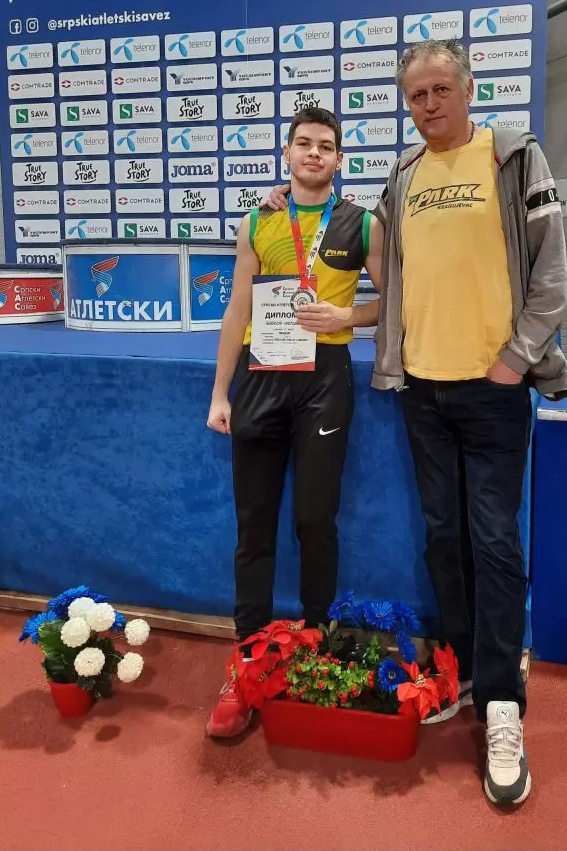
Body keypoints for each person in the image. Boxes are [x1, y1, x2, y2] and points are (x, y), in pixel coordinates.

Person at [262, 38, 567, 807]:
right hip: (423, 392)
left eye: (440, 89)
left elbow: (552, 277)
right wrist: (284, 199)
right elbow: (368, 249)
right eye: (416, 95)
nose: (428, 104)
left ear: (468, 88)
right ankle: (463, 670)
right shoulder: (404, 174)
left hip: (494, 389)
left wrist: (515, 359)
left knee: (493, 541)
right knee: (444, 537)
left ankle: (502, 704)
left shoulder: (512, 156)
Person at [205, 106, 384, 739]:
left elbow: (396, 299)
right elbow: (236, 307)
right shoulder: (259, 219)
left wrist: (347, 317)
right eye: (303, 143)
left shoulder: (362, 222)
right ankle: (247, 664)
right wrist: (220, 392)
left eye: (325, 146)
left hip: (324, 382)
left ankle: (316, 650)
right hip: (261, 375)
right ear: (286, 153)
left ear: (339, 159)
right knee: (253, 527)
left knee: (315, 521)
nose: (313, 154)